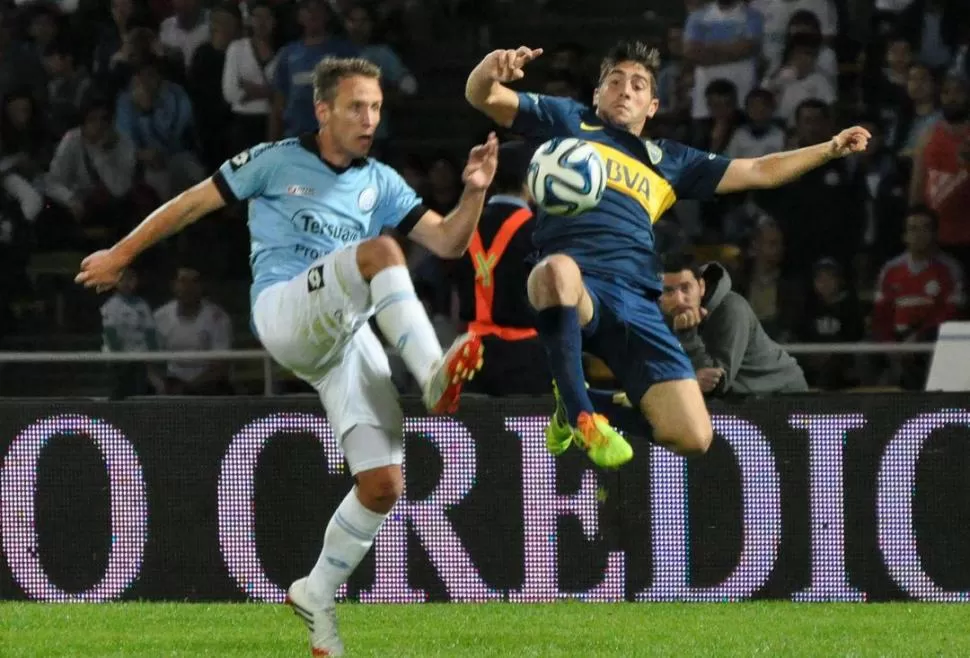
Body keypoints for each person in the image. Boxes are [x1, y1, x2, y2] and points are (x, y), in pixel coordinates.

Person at [76, 56, 498, 657]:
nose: (369, 119)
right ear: (322, 110)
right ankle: (431, 371)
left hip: (342, 336)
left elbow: (450, 241)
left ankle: (316, 592)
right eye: (356, 106)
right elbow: (192, 204)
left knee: (382, 485)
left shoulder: (380, 179)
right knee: (380, 251)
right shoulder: (274, 160)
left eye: (376, 108)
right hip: (283, 310)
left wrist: (474, 193)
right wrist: (121, 253)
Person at [465, 40, 870, 466]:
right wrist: (490, 67)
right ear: (597, 94)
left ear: (653, 106)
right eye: (615, 81)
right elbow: (482, 95)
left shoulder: (670, 161)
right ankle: (582, 414)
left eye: (638, 85)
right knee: (555, 271)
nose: (625, 90)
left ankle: (578, 402)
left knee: (693, 435)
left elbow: (758, 170)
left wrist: (828, 148)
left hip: (637, 303)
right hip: (577, 287)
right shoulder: (567, 120)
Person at [453, 140, 548, 397]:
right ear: (531, 181)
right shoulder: (540, 232)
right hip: (527, 360)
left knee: (480, 434)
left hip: (471, 356)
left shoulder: (460, 224)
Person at [660, 254, 808, 396]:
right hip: (739, 400)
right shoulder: (660, 315)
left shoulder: (731, 309)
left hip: (781, 392)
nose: (679, 299)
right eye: (668, 291)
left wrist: (688, 335)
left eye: (685, 288)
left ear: (701, 287)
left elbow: (717, 386)